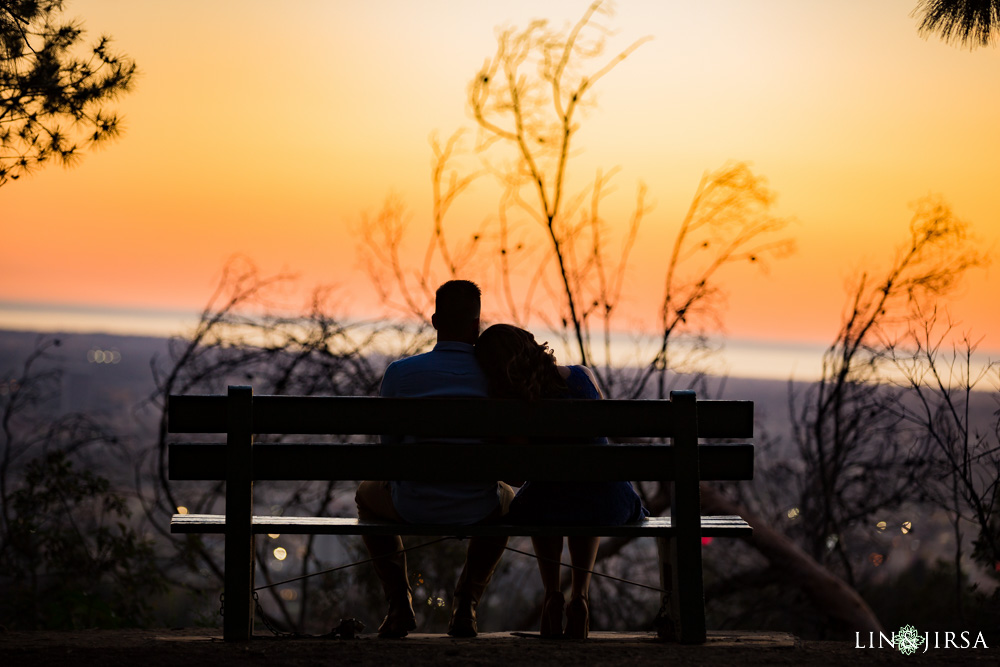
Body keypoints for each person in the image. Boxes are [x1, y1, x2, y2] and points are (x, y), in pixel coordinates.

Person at [355, 280, 515, 639]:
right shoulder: (496, 377)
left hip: (411, 505)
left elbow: (389, 453)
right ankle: (466, 605)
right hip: (479, 507)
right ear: (477, 326)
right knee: (508, 503)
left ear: (434, 320)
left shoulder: (400, 374)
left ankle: (398, 605)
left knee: (366, 495)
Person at [473, 324, 648, 639]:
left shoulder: (516, 402)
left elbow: (516, 475)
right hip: (607, 503)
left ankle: (553, 594)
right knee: (582, 492)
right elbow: (600, 433)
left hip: (549, 505)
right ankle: (580, 595)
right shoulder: (583, 376)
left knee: (545, 497)